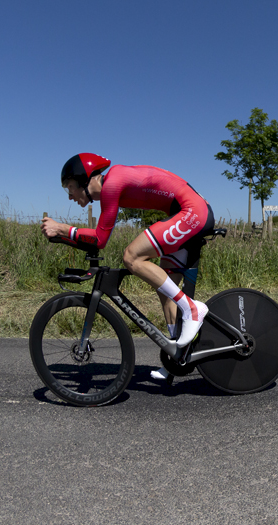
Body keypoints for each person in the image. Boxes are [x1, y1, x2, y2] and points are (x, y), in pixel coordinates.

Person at [41, 153, 215, 381]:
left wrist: (63, 229)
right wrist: (67, 235)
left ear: (85, 179)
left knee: (132, 257)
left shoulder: (112, 184)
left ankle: (193, 310)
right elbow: (97, 239)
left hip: (192, 211)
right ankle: (176, 355)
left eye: (70, 187)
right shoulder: (111, 186)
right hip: (186, 210)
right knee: (165, 288)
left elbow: (100, 239)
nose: (70, 195)